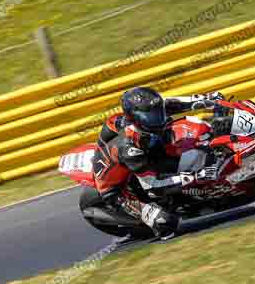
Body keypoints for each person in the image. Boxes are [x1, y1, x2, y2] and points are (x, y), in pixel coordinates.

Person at [95, 86, 228, 237]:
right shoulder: (128, 147)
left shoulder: (150, 115)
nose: (158, 118)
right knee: (165, 223)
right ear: (135, 119)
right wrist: (196, 176)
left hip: (145, 157)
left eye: (158, 112)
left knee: (184, 145)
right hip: (116, 190)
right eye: (151, 116)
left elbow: (175, 102)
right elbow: (153, 186)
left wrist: (211, 99)